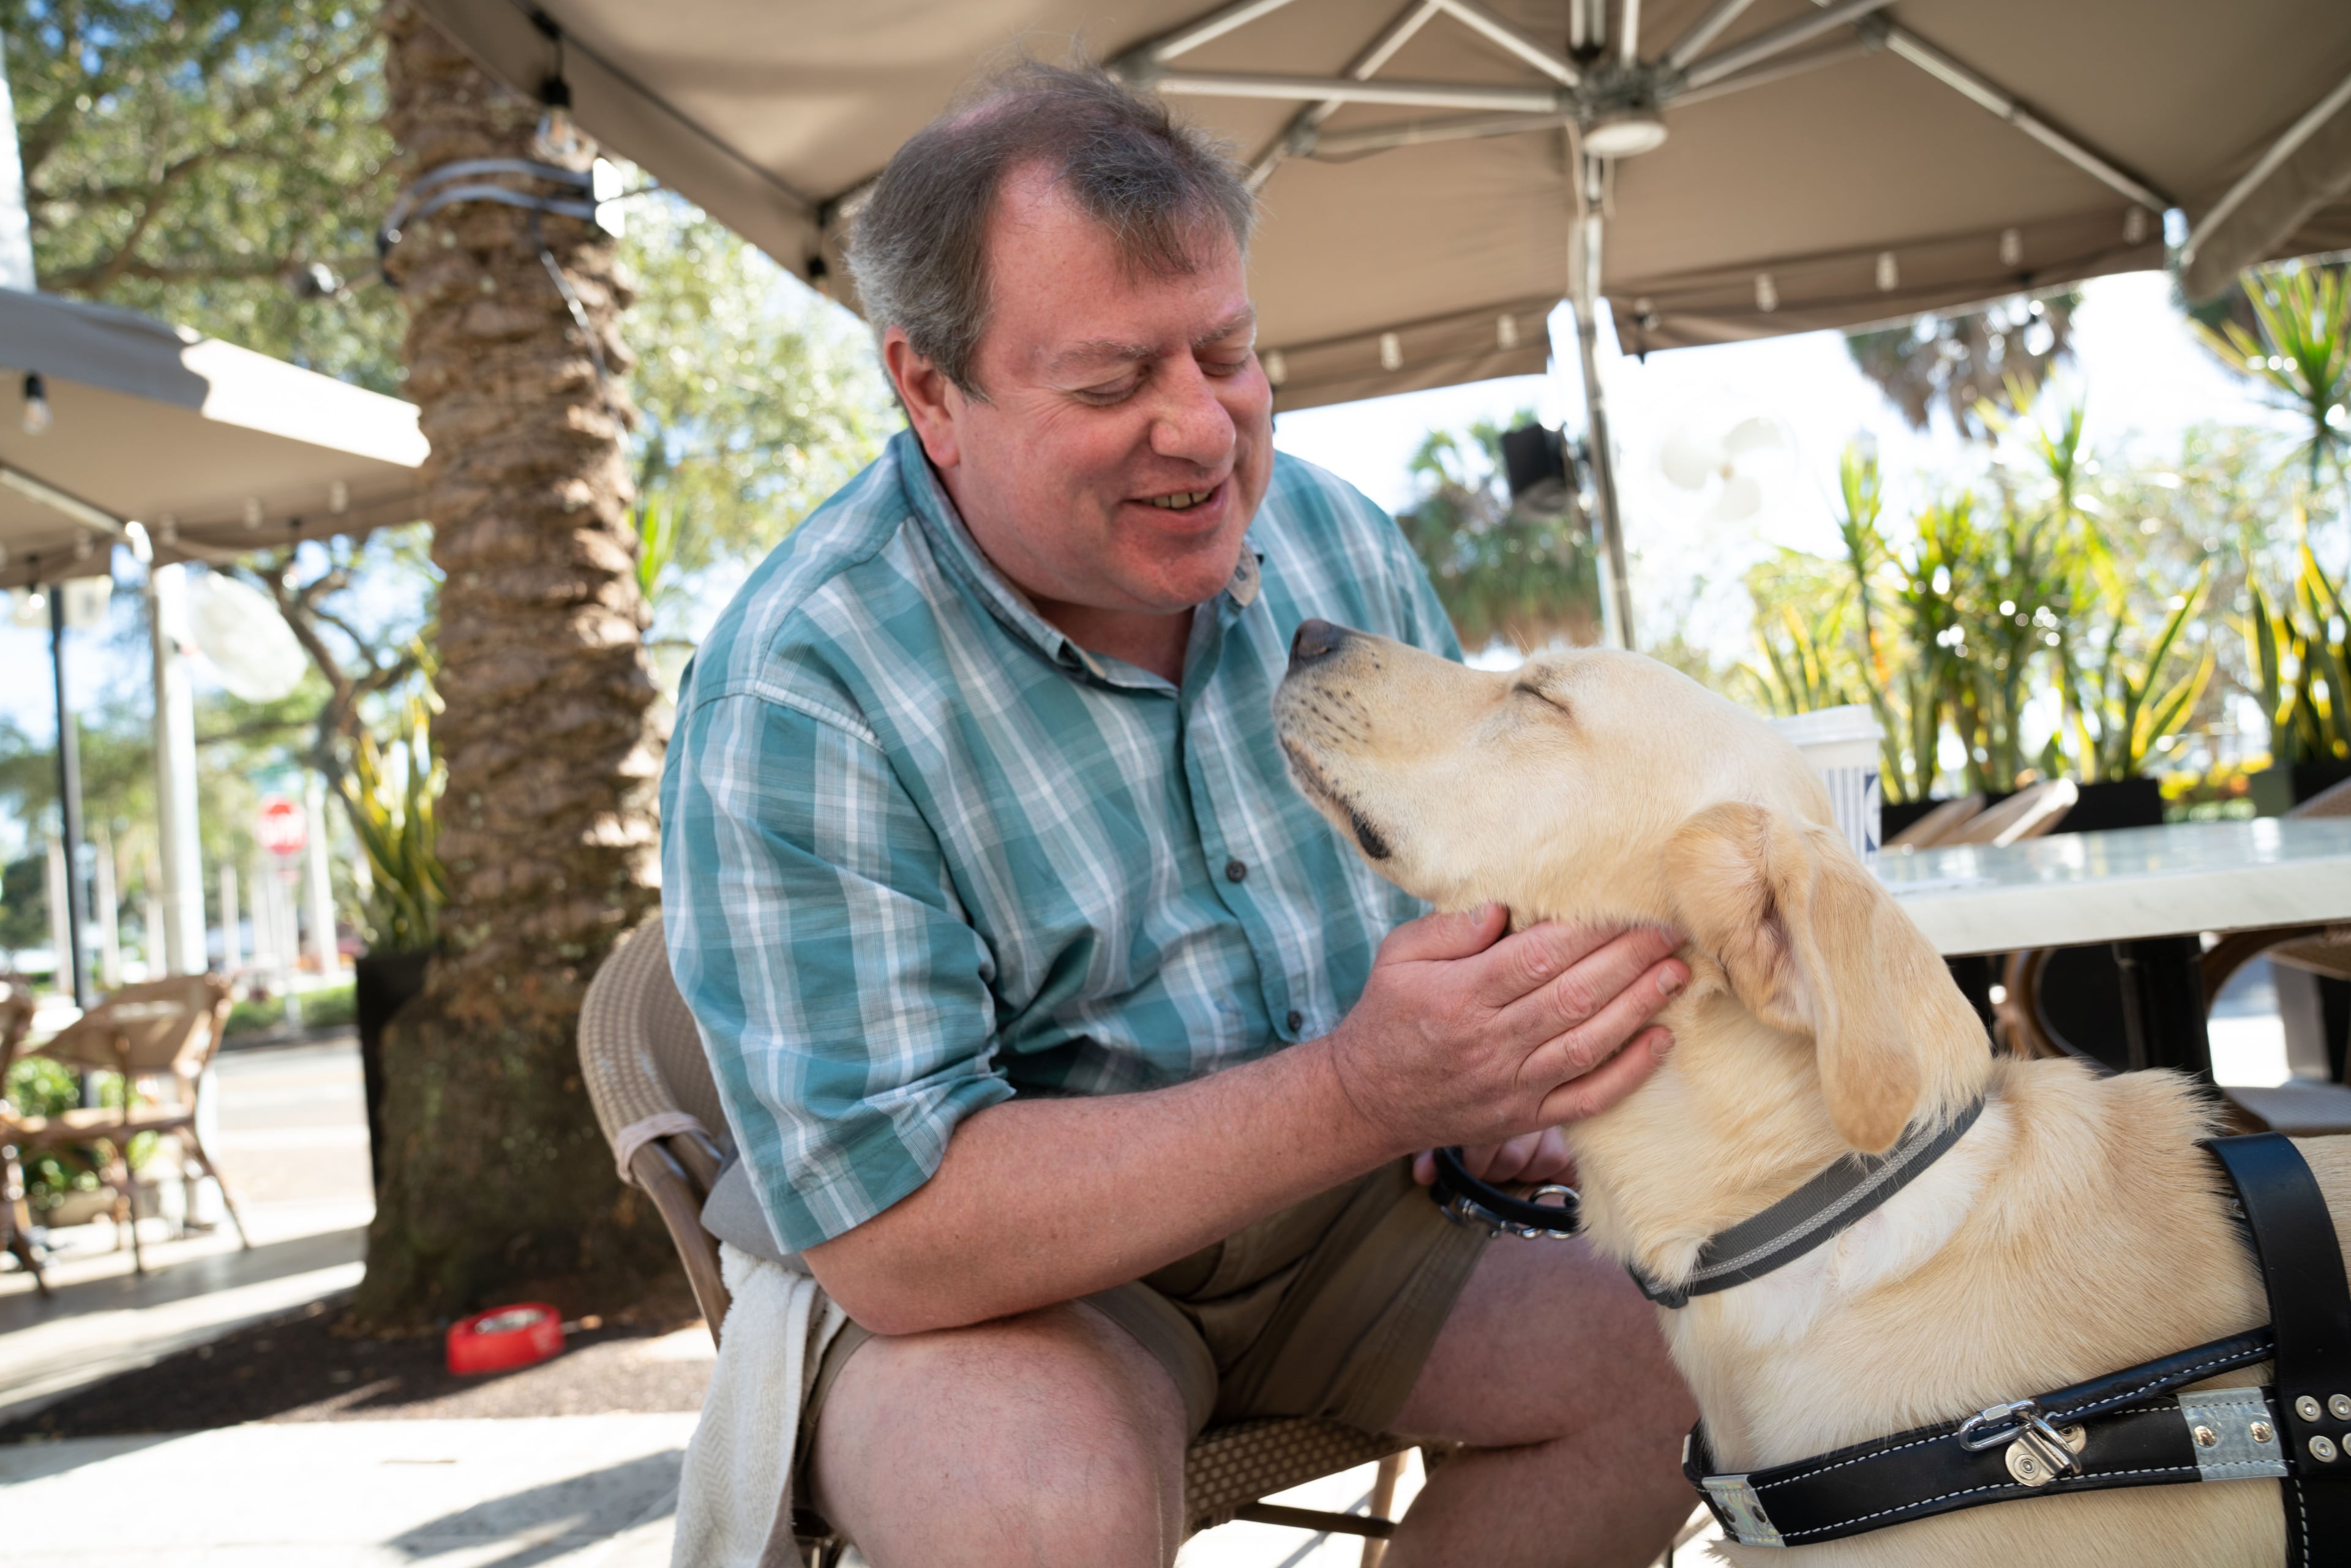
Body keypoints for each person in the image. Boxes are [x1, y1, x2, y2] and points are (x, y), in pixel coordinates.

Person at [660, 59, 1697, 1567]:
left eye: (1227, 352)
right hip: (1022, 1287)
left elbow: (1481, 897)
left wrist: (1509, 1072)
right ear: (928, 389)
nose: (1206, 435)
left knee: (1707, 1349)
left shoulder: (1336, 535)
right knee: (1032, 1516)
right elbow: (897, 1238)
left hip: (1362, 1218)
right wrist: (1369, 1089)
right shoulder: (801, 686)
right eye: (1112, 382)